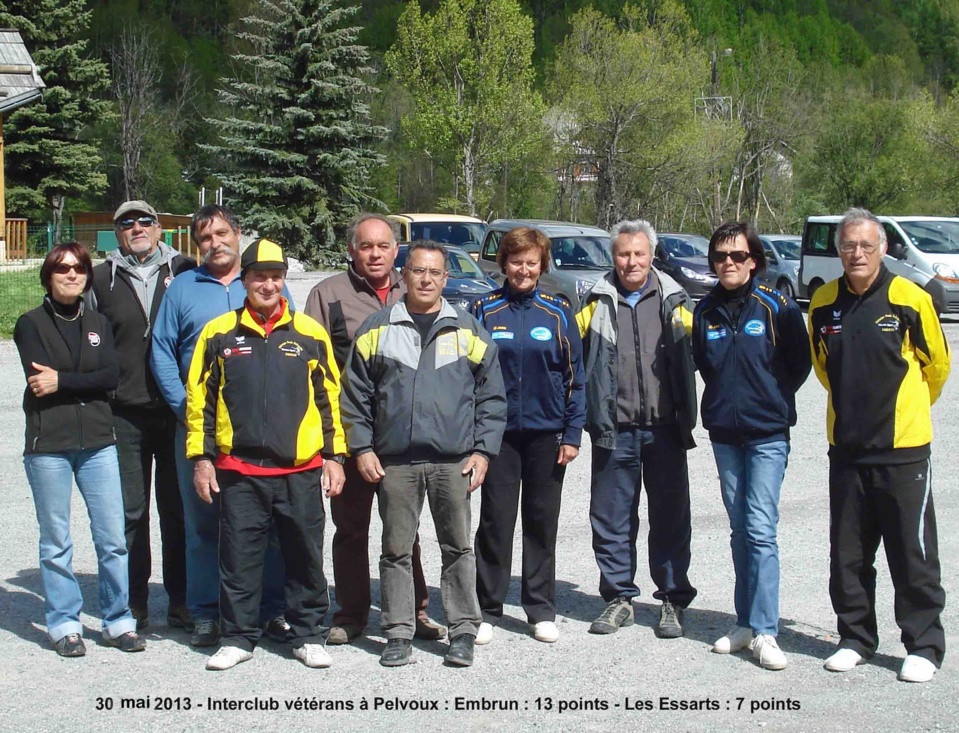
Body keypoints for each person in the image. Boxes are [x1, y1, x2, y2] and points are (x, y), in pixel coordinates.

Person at [341, 241, 507, 668]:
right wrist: (361, 447)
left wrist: (484, 452)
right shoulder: (378, 329)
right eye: (418, 271)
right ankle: (398, 633)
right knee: (395, 550)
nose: (427, 279)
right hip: (395, 462)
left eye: (435, 272)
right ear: (405, 274)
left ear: (446, 279)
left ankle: (463, 631)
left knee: (457, 548)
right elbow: (355, 396)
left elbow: (491, 397)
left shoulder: (467, 329)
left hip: (454, 461)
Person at [186, 239, 347, 671]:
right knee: (239, 557)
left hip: (300, 469)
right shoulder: (218, 333)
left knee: (304, 555)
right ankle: (238, 637)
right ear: (245, 280)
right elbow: (198, 401)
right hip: (239, 470)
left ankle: (309, 634)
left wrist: (335, 457)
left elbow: (330, 398)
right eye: (260, 276)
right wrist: (201, 460)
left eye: (276, 276)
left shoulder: (309, 334)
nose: (269, 284)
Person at [809, 207, 951, 684]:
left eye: (866, 245)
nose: (857, 253)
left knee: (911, 551)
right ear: (838, 249)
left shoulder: (911, 298)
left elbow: (936, 369)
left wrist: (905, 412)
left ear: (883, 248)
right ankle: (855, 638)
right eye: (848, 245)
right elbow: (824, 368)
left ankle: (924, 645)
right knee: (847, 553)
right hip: (847, 449)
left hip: (904, 450)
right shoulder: (823, 303)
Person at [151, 205, 290, 648]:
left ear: (239, 233)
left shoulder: (261, 282)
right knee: (204, 523)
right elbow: (161, 351)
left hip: (258, 429)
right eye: (205, 237)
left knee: (265, 523)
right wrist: (185, 411)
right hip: (199, 428)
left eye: (222, 233)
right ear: (197, 244)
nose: (215, 243)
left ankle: (271, 610)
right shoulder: (183, 289)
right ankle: (206, 611)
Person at [303, 213, 446, 645]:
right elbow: (310, 371)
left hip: (403, 436)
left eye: (383, 246)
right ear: (351, 250)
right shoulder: (326, 295)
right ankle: (350, 614)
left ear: (396, 250)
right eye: (366, 246)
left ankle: (414, 611)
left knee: (406, 531)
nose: (375, 254)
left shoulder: (413, 289)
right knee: (350, 530)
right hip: (349, 438)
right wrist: (328, 447)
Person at [14, 242, 146, 656]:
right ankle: (64, 623)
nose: (71, 275)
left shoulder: (98, 323)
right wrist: (81, 378)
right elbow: (40, 381)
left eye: (79, 269)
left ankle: (117, 619)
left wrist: (65, 380)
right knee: (56, 540)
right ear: (48, 276)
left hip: (98, 443)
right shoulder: (30, 323)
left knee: (112, 538)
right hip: (48, 445)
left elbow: (111, 377)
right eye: (62, 269)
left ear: (87, 276)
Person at [692, 222, 811, 671]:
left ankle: (765, 631)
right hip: (725, 434)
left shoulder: (777, 307)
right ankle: (743, 622)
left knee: (761, 529)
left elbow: (798, 364)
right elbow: (706, 364)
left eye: (737, 256)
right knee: (740, 530)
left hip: (767, 434)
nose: (728, 263)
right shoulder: (704, 311)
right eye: (721, 256)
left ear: (754, 261)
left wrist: (771, 399)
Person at [576, 219, 698, 638]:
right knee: (611, 519)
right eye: (624, 253)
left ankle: (671, 600)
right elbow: (574, 363)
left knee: (670, 518)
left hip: (665, 428)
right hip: (615, 428)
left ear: (652, 255)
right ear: (614, 256)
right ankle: (618, 598)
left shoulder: (676, 299)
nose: (631, 261)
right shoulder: (595, 300)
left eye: (639, 253)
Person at [469, 226, 585, 645]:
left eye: (531, 262)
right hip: (496, 438)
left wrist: (572, 432)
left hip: (546, 436)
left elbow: (576, 378)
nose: (523, 269)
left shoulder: (557, 313)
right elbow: (467, 375)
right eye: (516, 261)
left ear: (542, 266)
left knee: (541, 522)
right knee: (495, 522)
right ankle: (487, 609)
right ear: (503, 263)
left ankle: (540, 608)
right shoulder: (483, 310)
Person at [87, 200, 195, 632]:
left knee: (178, 510)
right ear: (117, 233)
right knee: (131, 513)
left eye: (144, 221)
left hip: (175, 412)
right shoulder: (99, 279)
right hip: (124, 414)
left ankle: (183, 601)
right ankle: (134, 602)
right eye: (126, 223)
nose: (137, 228)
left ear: (159, 228)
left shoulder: (185, 271)